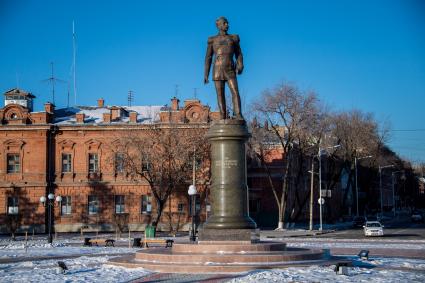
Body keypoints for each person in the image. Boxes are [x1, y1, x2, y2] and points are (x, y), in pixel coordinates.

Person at [204, 17, 244, 120]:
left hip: (230, 68)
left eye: (227, 23)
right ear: (219, 26)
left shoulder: (233, 38)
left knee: (235, 91)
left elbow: (238, 53)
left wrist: (240, 64)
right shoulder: (212, 40)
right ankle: (222, 116)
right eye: (224, 23)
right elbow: (208, 57)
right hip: (217, 69)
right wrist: (206, 74)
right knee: (220, 94)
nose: (227, 25)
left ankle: (238, 114)